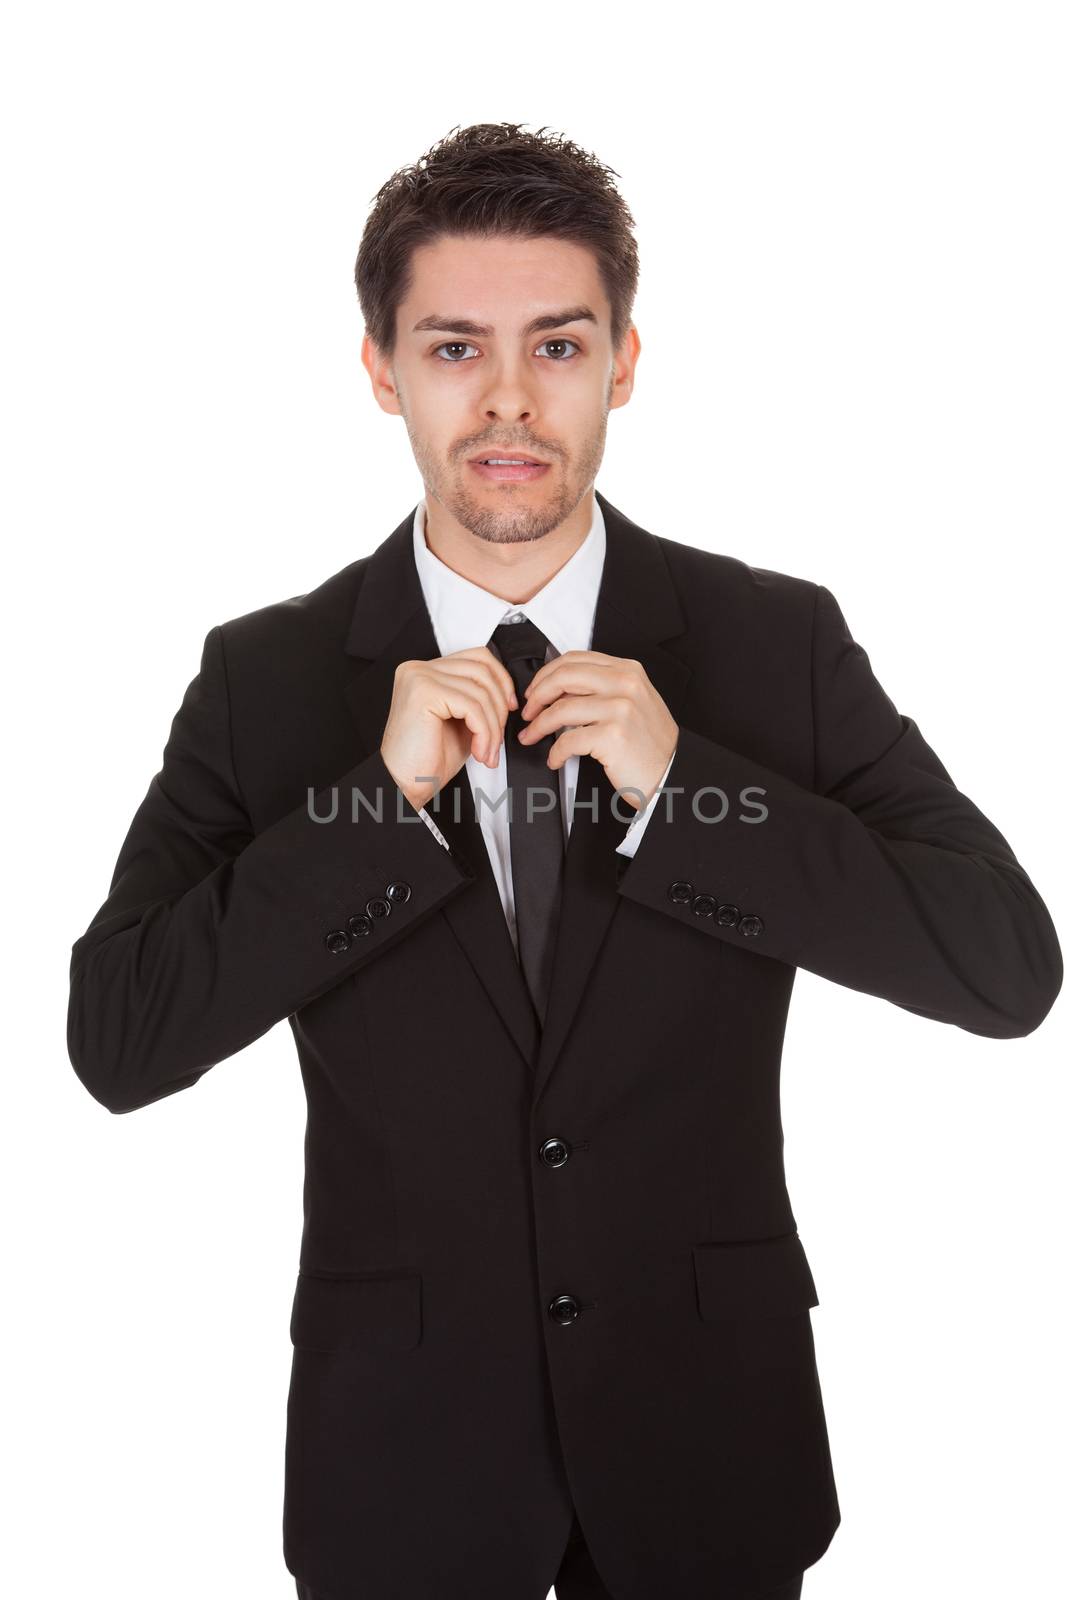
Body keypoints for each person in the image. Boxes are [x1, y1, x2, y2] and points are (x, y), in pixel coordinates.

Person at [67, 121, 1062, 1600]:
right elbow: (123, 1037)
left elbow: (1004, 965)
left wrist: (688, 789)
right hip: (401, 1470)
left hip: (707, 1456)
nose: (512, 400)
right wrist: (373, 811)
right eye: (457, 349)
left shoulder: (769, 645)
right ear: (381, 371)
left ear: (627, 361)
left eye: (560, 343)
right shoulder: (263, 681)